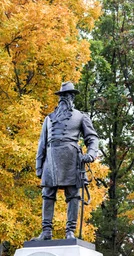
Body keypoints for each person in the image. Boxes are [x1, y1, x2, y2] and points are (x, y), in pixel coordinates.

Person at [34, 81, 99, 240]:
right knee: (47, 193)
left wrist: (90, 154)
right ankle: (46, 231)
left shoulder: (81, 116)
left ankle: (70, 231)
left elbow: (92, 138)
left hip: (71, 158)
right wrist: (39, 166)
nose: (64, 98)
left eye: (67, 95)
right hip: (51, 158)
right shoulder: (49, 119)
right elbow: (42, 143)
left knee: (73, 194)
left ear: (72, 97)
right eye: (62, 95)